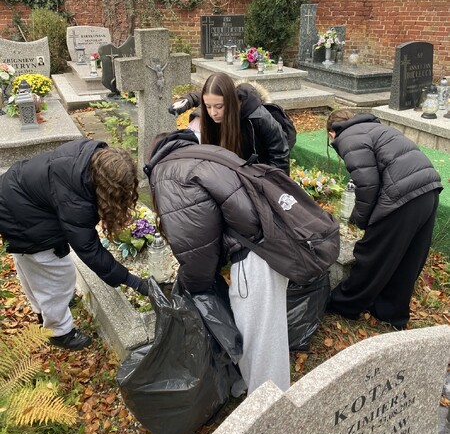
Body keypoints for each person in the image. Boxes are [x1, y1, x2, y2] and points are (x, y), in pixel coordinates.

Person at [144, 129, 291, 395]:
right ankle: (258, 392)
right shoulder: (203, 153)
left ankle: (270, 408)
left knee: (261, 347)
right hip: (274, 242)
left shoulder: (169, 175)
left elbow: (196, 247)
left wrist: (192, 285)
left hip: (254, 256)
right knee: (266, 335)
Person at [0, 140, 149, 350]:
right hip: (22, 215)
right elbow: (88, 248)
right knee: (56, 274)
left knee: (33, 268)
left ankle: (43, 310)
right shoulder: (74, 200)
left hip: (16, 193)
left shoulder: (88, 158)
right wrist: (132, 281)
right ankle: (60, 333)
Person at [326, 110, 442, 329]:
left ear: (332, 132)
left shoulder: (348, 137)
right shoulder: (377, 128)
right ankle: (390, 311)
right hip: (428, 189)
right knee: (408, 258)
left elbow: (367, 185)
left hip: (401, 196)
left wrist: (360, 220)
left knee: (372, 253)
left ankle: (345, 303)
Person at [168, 72, 290, 174]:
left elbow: (280, 157)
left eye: (219, 106)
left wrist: (265, 182)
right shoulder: (211, 115)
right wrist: (187, 100)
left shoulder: (258, 117)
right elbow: (201, 95)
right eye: (208, 106)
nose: (213, 113)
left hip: (259, 176)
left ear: (230, 101)